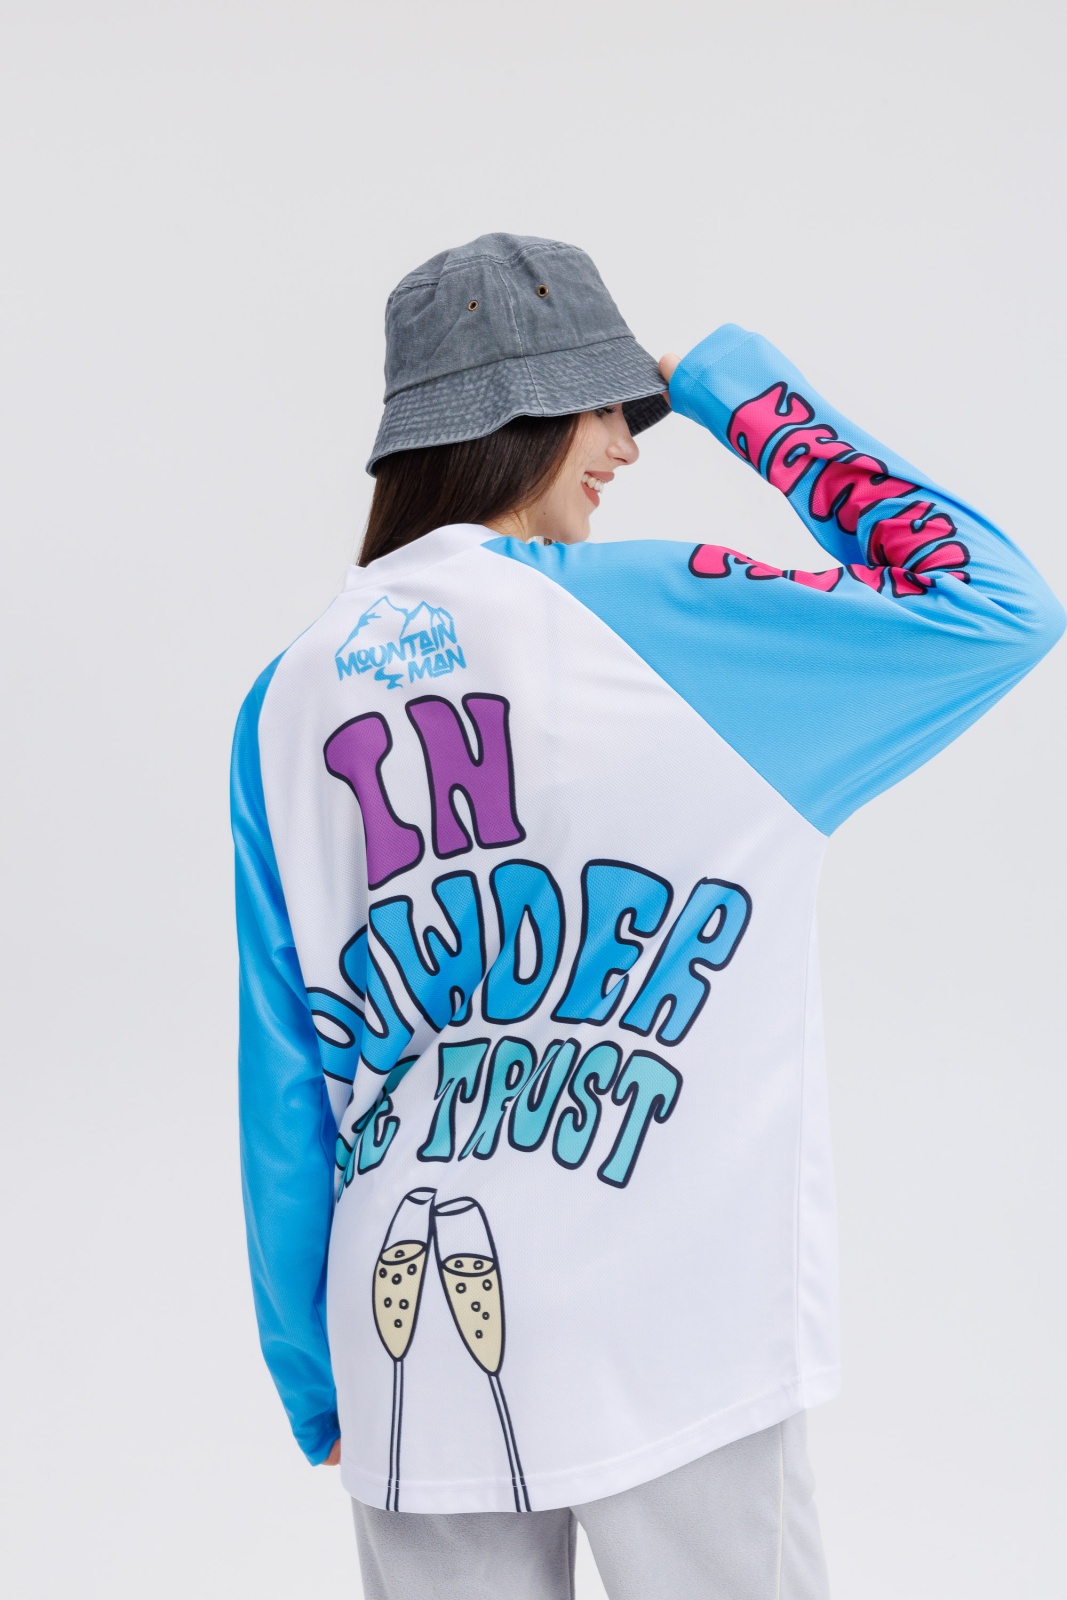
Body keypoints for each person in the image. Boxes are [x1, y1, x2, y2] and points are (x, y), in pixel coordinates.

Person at [230, 233, 1063, 1600]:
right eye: (605, 407)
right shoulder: (664, 624)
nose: (626, 443)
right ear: (524, 417)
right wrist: (733, 388)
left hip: (406, 1342)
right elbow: (995, 608)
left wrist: (311, 1369)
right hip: (676, 1329)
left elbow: (285, 1073)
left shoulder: (286, 696)